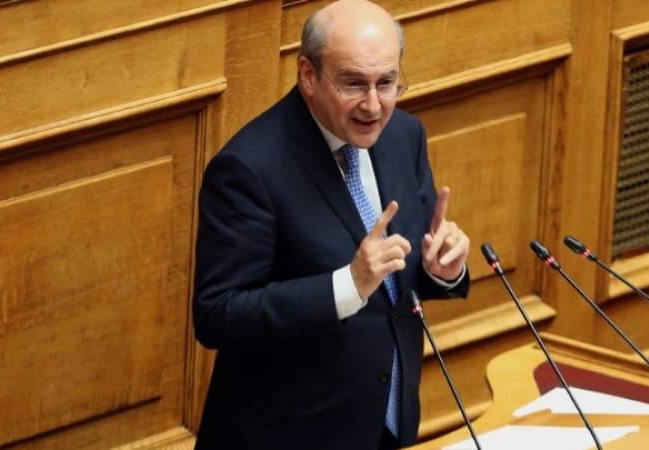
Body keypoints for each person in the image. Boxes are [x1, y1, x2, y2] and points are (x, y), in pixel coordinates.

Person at [192, 0, 470, 448]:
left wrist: (442, 270)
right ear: (308, 75)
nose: (374, 105)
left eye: (387, 82)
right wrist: (347, 285)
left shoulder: (404, 135)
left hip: (385, 425)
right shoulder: (249, 168)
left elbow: (398, 280)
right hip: (293, 436)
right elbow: (218, 314)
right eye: (353, 83)